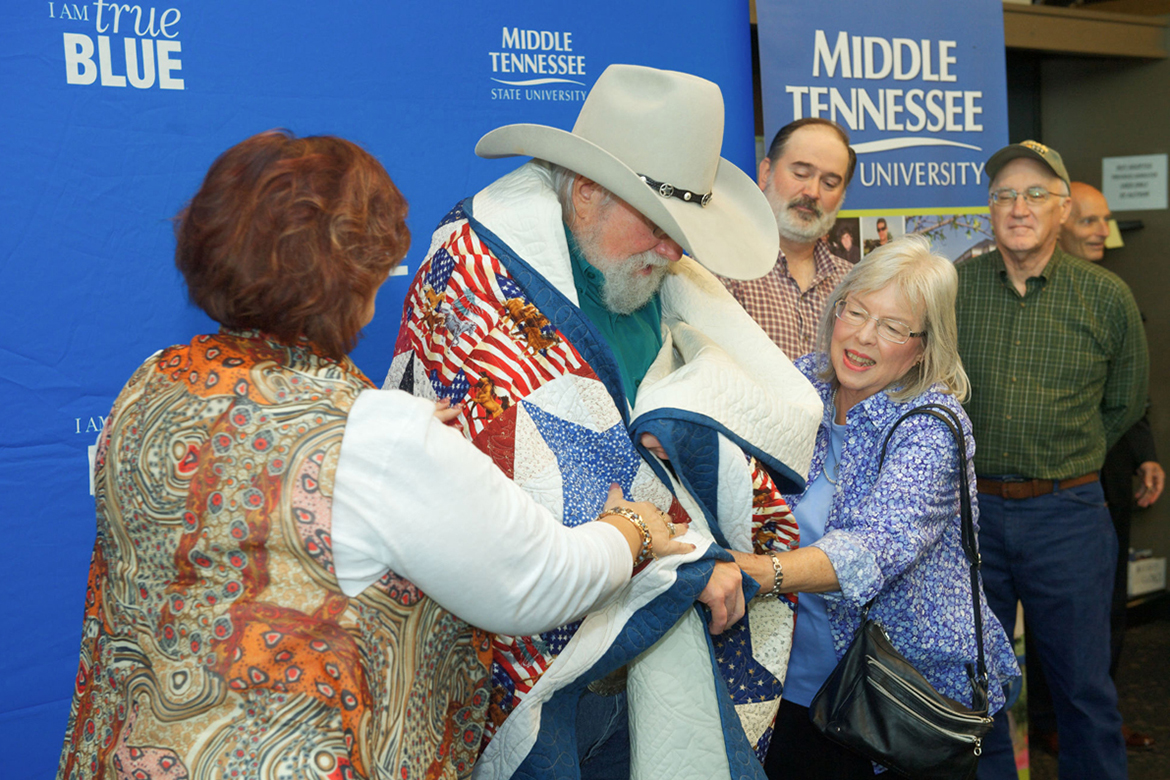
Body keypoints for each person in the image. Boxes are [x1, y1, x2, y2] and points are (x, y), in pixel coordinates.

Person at [55, 130, 693, 780]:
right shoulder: (375, 438)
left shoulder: (151, 382)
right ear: (353, 276)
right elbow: (536, 583)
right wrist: (633, 530)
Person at [388, 64, 823, 780]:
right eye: (659, 225)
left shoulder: (664, 281)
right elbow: (513, 457)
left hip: (645, 649)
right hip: (513, 647)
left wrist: (688, 440)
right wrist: (687, 561)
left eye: (685, 231)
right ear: (587, 191)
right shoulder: (473, 265)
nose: (674, 251)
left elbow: (722, 405)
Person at [718, 235, 1018, 779]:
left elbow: (872, 549)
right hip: (783, 683)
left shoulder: (931, 425)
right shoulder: (799, 381)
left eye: (893, 327)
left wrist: (759, 573)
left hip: (890, 700)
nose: (862, 336)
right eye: (856, 312)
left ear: (924, 346)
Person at [955, 142, 1148, 780]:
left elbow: (1125, 403)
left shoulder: (1107, 296)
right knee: (978, 686)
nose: (1018, 207)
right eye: (1005, 194)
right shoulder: (955, 289)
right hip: (971, 515)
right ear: (990, 208)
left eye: (1036, 194)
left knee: (1082, 690)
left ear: (1063, 209)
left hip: (1068, 514)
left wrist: (1067, 454)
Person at [1024, 181, 1164, 753]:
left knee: (1102, 603)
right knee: (1045, 608)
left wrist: (1146, 453)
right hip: (1052, 477)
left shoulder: (1111, 294)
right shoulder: (1030, 295)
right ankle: (1048, 722)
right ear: (1059, 222)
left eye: (1104, 222)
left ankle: (1091, 716)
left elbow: (1130, 391)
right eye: (1089, 221)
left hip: (1107, 469)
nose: (1101, 233)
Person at [719, 117, 856, 360]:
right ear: (765, 173)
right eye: (801, 173)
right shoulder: (720, 268)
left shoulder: (855, 286)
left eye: (829, 183)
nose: (812, 192)